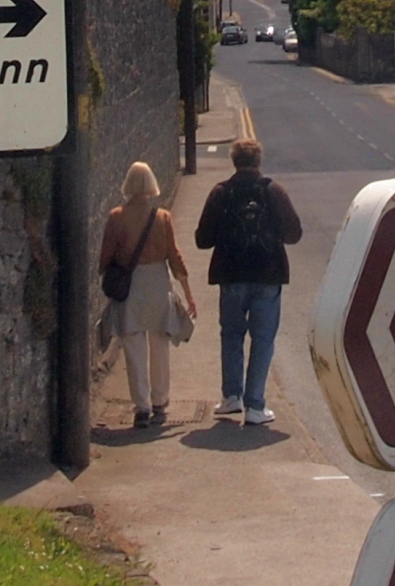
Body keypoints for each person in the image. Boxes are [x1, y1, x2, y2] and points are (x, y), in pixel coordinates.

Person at [195, 137, 302, 425]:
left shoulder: (221, 193)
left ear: (234, 161)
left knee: (231, 335)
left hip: (231, 275)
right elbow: (294, 234)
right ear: (258, 162)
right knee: (263, 339)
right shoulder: (273, 192)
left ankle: (231, 398)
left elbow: (202, 240)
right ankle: (255, 406)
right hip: (268, 274)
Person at [98, 161, 195, 429]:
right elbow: (175, 258)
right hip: (157, 284)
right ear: (151, 184)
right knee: (160, 343)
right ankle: (160, 400)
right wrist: (188, 295)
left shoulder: (117, 217)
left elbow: (105, 258)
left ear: (128, 184)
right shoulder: (162, 217)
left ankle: (141, 406)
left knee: (133, 346)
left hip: (131, 286)